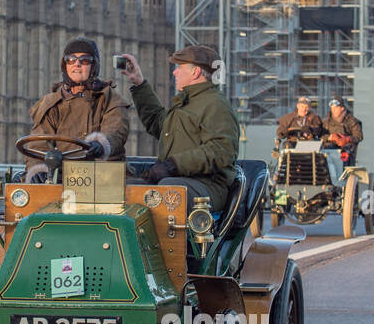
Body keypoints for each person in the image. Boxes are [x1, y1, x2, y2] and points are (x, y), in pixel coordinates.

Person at [119, 45, 240, 212]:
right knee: (121, 188)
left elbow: (222, 150)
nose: (174, 72)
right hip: (178, 180)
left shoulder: (215, 105)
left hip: (206, 186)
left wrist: (173, 165)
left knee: (168, 190)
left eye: (180, 67)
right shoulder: (187, 103)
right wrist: (139, 83)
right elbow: (157, 122)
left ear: (195, 72)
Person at [23, 37, 129, 182]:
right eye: (70, 60)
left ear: (94, 66)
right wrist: (37, 170)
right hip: (62, 178)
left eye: (84, 60)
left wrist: (101, 143)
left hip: (104, 177)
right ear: (65, 65)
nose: (77, 64)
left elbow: (116, 129)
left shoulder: (110, 99)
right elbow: (38, 143)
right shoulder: (51, 103)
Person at [322, 96, 364, 165]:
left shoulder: (352, 121)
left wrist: (347, 139)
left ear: (342, 108)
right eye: (332, 108)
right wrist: (330, 137)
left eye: (336, 108)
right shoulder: (326, 122)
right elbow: (320, 136)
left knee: (345, 152)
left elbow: (359, 136)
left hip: (346, 153)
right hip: (329, 152)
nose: (333, 110)